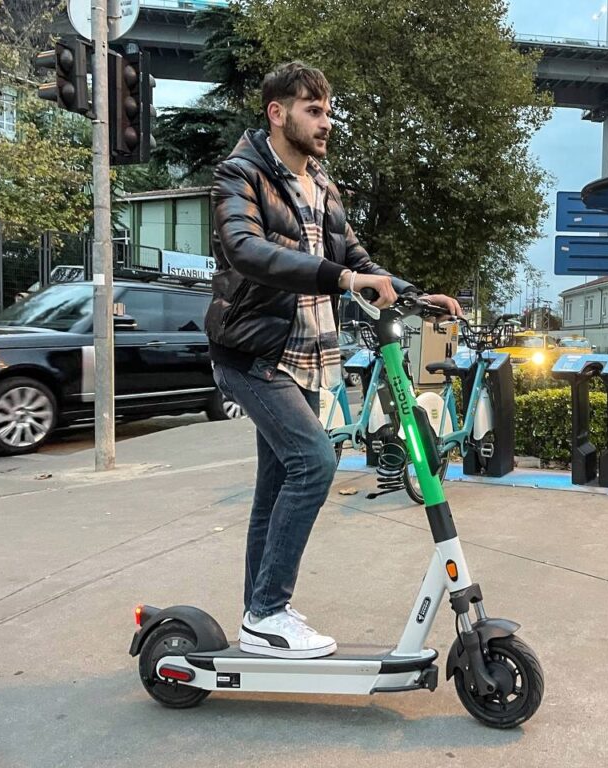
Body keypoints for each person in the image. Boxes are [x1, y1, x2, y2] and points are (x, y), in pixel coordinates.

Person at [205, 61, 462, 659]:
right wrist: (340, 276)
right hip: (252, 352)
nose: (326, 123)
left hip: (304, 356)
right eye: (314, 111)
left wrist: (415, 292)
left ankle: (257, 617)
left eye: (328, 111)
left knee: (276, 486)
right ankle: (269, 611)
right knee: (315, 462)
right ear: (278, 113)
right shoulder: (239, 176)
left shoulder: (322, 183)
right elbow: (247, 252)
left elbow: (354, 255)